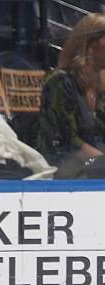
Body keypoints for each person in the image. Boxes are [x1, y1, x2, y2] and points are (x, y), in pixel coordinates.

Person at [36, 13, 105, 178]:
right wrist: (101, 161)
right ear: (90, 44)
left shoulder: (101, 85)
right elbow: (68, 140)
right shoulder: (60, 81)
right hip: (62, 163)